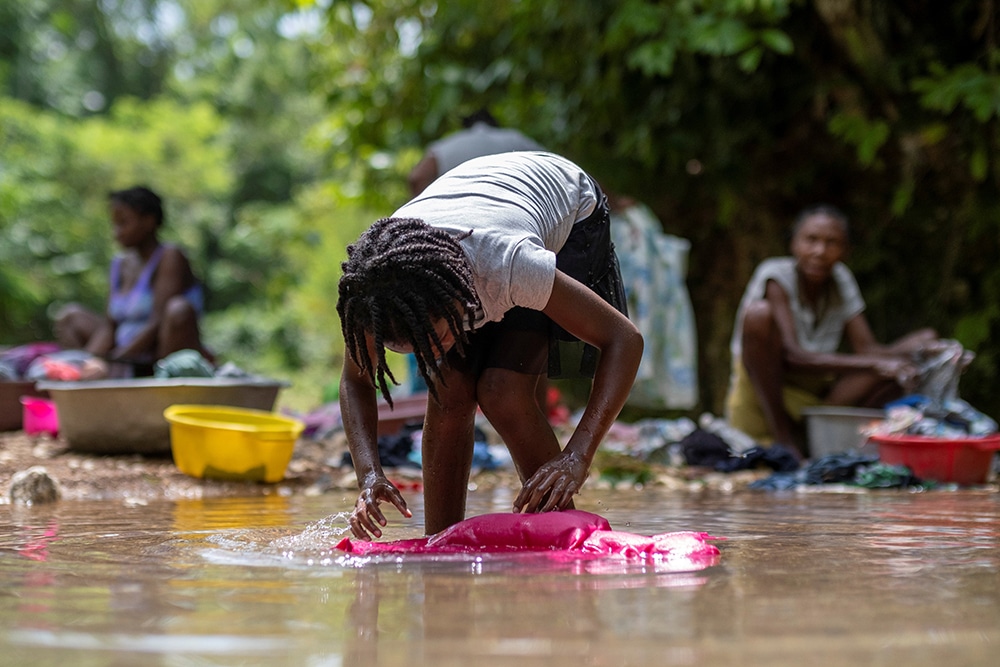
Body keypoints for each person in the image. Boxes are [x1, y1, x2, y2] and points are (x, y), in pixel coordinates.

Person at [338, 151, 643, 539]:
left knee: (503, 391)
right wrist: (369, 476)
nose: (432, 354)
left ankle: (563, 534)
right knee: (448, 390)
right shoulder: (373, 292)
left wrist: (577, 456)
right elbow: (355, 381)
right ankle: (442, 547)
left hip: (567, 206)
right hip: (476, 212)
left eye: (436, 338)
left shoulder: (510, 265)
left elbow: (625, 339)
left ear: (458, 300)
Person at [724, 204, 942, 457]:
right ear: (794, 244)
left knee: (925, 341)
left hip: (817, 394)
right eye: (811, 240)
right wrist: (874, 365)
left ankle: (819, 435)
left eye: (832, 243)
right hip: (770, 385)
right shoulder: (775, 276)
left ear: (846, 251)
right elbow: (794, 357)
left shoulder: (840, 279)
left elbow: (868, 349)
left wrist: (926, 353)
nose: (820, 251)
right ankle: (784, 438)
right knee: (758, 315)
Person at [54, 186, 211, 378]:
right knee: (70, 317)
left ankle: (160, 379)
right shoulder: (119, 264)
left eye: (123, 223)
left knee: (178, 309)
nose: (116, 232)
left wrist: (114, 359)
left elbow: (158, 320)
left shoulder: (170, 256)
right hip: (125, 351)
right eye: (114, 224)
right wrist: (89, 361)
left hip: (156, 352)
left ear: (149, 221)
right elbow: (110, 325)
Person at [407, 109, 545, 197]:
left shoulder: (447, 146)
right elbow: (553, 165)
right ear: (495, 124)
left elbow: (416, 177)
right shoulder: (515, 139)